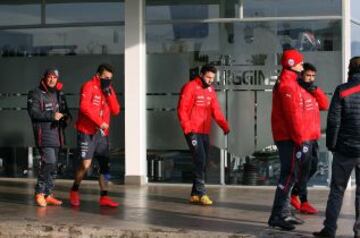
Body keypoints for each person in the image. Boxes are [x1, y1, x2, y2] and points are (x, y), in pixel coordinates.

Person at [314, 57, 360, 238]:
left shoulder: (343, 90)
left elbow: (334, 120)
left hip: (345, 150)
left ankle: (330, 229)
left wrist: (332, 145)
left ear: (350, 70)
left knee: (337, 191)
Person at [177, 64, 230, 206]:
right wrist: (188, 129)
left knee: (203, 161)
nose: (210, 80)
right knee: (200, 158)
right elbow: (182, 109)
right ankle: (201, 192)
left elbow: (216, 110)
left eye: (212, 78)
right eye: (208, 77)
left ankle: (194, 194)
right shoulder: (190, 87)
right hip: (192, 130)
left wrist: (224, 125)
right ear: (201, 74)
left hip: (204, 131)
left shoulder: (210, 90)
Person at [69, 63, 120, 207]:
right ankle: (74, 190)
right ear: (98, 75)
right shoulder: (88, 86)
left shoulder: (109, 89)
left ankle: (104, 196)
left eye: (110, 78)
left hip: (102, 134)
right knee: (85, 164)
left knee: (105, 166)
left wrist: (109, 94)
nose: (108, 80)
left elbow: (116, 110)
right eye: (105, 77)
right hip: (86, 132)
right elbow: (84, 107)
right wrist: (99, 122)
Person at [268, 49, 307, 231]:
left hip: (288, 136)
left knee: (291, 176)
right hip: (288, 137)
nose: (302, 64)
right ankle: (277, 215)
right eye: (299, 61)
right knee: (288, 175)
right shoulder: (287, 85)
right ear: (291, 63)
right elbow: (292, 116)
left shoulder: (290, 82)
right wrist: (300, 138)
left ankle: (284, 212)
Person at [27, 68, 71, 207]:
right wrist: (51, 115)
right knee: (49, 162)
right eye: (50, 77)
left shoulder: (59, 94)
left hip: (58, 135)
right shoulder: (35, 93)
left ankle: (48, 194)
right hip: (44, 135)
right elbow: (33, 113)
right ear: (44, 77)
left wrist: (66, 119)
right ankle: (39, 192)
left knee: (54, 167)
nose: (52, 80)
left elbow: (66, 113)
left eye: (55, 77)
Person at [290, 63, 329, 214]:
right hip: (303, 138)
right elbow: (295, 116)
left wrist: (316, 90)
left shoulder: (312, 91)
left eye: (313, 76)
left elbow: (325, 105)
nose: (311, 79)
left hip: (313, 136)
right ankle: (303, 200)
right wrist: (298, 136)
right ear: (301, 75)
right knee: (303, 170)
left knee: (312, 167)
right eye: (308, 75)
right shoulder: (297, 90)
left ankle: (294, 194)